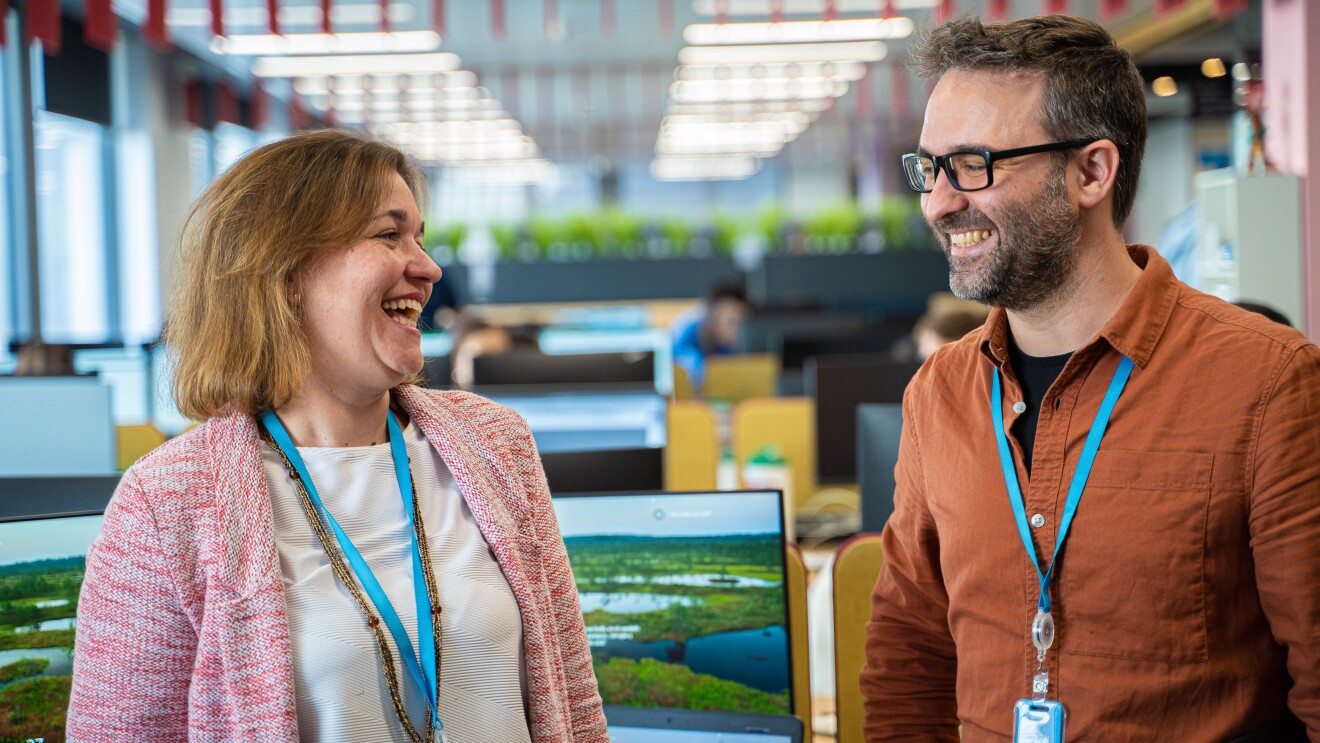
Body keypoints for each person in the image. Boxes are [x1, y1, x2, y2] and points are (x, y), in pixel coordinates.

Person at [861, 14, 1319, 742]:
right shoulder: (939, 393)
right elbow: (910, 661)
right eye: (930, 168)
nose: (941, 202)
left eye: (974, 164)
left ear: (1092, 171)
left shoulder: (1267, 382)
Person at [67, 130, 608, 743]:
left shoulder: (493, 444)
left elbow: (573, 701)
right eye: (388, 234)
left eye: (420, 238)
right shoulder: (167, 505)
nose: (428, 268)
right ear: (283, 270)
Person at [670, 282, 751, 389]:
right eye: (729, 321)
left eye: (738, 322)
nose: (731, 328)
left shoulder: (749, 343)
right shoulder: (689, 336)